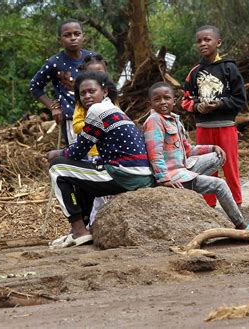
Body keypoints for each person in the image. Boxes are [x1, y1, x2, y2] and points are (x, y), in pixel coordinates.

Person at [47, 71, 154, 248]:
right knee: (82, 171)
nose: (87, 96)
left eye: (91, 91)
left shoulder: (97, 110)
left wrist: (57, 154)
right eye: (82, 94)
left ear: (104, 92)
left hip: (123, 174)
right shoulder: (113, 109)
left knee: (57, 168)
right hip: (138, 173)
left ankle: (79, 231)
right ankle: (87, 226)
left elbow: (77, 152)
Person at [144, 82, 249, 230]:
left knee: (218, 156)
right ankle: (241, 224)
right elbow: (154, 154)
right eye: (157, 99)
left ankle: (194, 183)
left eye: (167, 98)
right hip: (173, 176)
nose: (163, 102)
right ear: (150, 103)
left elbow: (188, 149)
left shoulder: (173, 119)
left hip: (183, 168)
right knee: (219, 184)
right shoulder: (154, 120)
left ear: (174, 100)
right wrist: (164, 179)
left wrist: (212, 147)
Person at [182, 25, 246, 209]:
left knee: (230, 166)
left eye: (207, 40)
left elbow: (240, 98)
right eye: (199, 41)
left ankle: (237, 205)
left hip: (226, 126)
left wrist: (220, 103)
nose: (203, 43)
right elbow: (186, 101)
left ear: (218, 43)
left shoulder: (229, 68)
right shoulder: (194, 72)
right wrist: (198, 106)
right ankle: (208, 207)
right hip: (203, 129)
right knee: (208, 168)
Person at [30, 19, 94, 145]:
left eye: (77, 34)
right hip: (72, 118)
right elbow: (35, 86)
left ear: (83, 37)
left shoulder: (93, 58)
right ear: (60, 40)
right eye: (67, 35)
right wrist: (53, 107)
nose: (73, 38)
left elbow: (105, 85)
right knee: (80, 156)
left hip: (97, 115)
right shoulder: (54, 63)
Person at [72, 53, 111, 227]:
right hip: (88, 153)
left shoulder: (111, 103)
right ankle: (88, 220)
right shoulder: (81, 105)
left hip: (107, 154)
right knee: (86, 188)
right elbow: (77, 125)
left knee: (105, 191)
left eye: (100, 73)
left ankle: (103, 222)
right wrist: (95, 123)